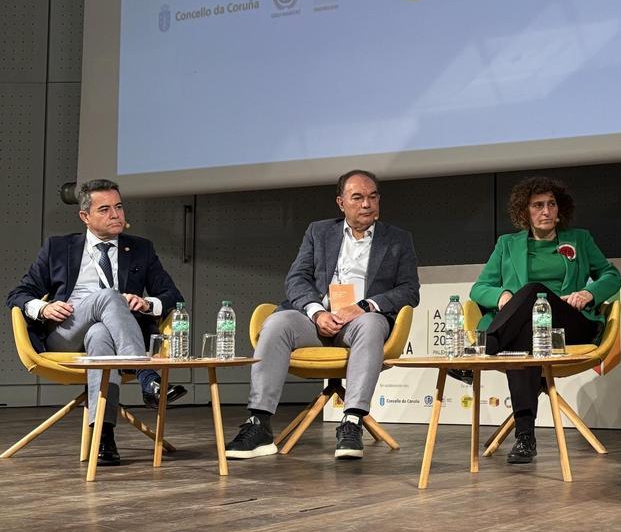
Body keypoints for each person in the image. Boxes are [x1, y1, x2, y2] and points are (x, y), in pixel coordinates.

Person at [225, 170, 420, 460]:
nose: (367, 204)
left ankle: (352, 421)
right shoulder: (319, 232)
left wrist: (364, 306)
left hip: (361, 321)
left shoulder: (397, 239)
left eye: (373, 197)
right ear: (341, 203)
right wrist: (316, 312)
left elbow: (409, 291)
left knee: (370, 325)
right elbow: (296, 279)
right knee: (277, 322)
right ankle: (259, 424)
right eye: (358, 197)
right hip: (317, 321)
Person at [7, 179, 187, 466]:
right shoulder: (58, 247)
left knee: (100, 335)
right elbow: (18, 294)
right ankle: (148, 378)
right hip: (65, 330)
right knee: (107, 296)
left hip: (114, 336)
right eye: (105, 209)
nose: (116, 215)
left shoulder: (141, 249)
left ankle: (104, 436)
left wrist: (147, 303)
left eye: (119, 207)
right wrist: (43, 308)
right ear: (85, 217)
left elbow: (172, 296)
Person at [470, 177, 621, 465]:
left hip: (570, 323)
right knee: (522, 339)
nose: (546, 211)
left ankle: (485, 349)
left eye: (551, 204)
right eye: (538, 205)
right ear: (524, 211)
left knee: (533, 291)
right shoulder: (507, 244)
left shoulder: (580, 239)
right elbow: (479, 289)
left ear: (560, 208)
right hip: (528, 328)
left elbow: (611, 276)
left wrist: (588, 292)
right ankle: (525, 437)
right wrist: (503, 296)